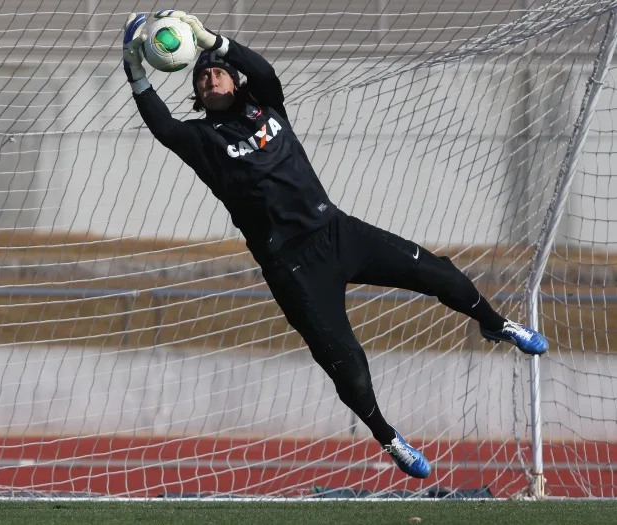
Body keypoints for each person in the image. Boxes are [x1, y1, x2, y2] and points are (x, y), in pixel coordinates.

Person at [122, 10, 548, 480]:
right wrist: (135, 69)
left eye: (216, 72)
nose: (208, 81)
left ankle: (496, 324)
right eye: (201, 79)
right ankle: (389, 437)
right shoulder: (203, 138)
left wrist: (213, 41)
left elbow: (264, 72)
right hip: (292, 266)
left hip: (338, 232)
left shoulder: (264, 105)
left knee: (438, 273)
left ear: (233, 80)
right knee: (347, 363)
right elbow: (163, 126)